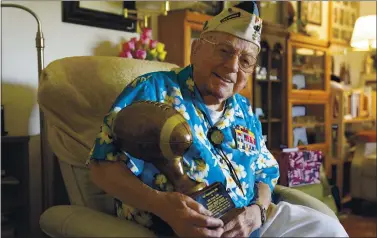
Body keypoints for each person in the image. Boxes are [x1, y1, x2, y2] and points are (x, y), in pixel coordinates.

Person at [87, 2, 348, 237]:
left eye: (246, 61)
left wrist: (257, 211)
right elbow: (102, 167)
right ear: (196, 49)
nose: (233, 66)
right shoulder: (152, 89)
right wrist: (161, 205)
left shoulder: (243, 109)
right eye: (225, 51)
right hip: (182, 226)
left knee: (328, 229)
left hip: (250, 223)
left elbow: (265, 174)